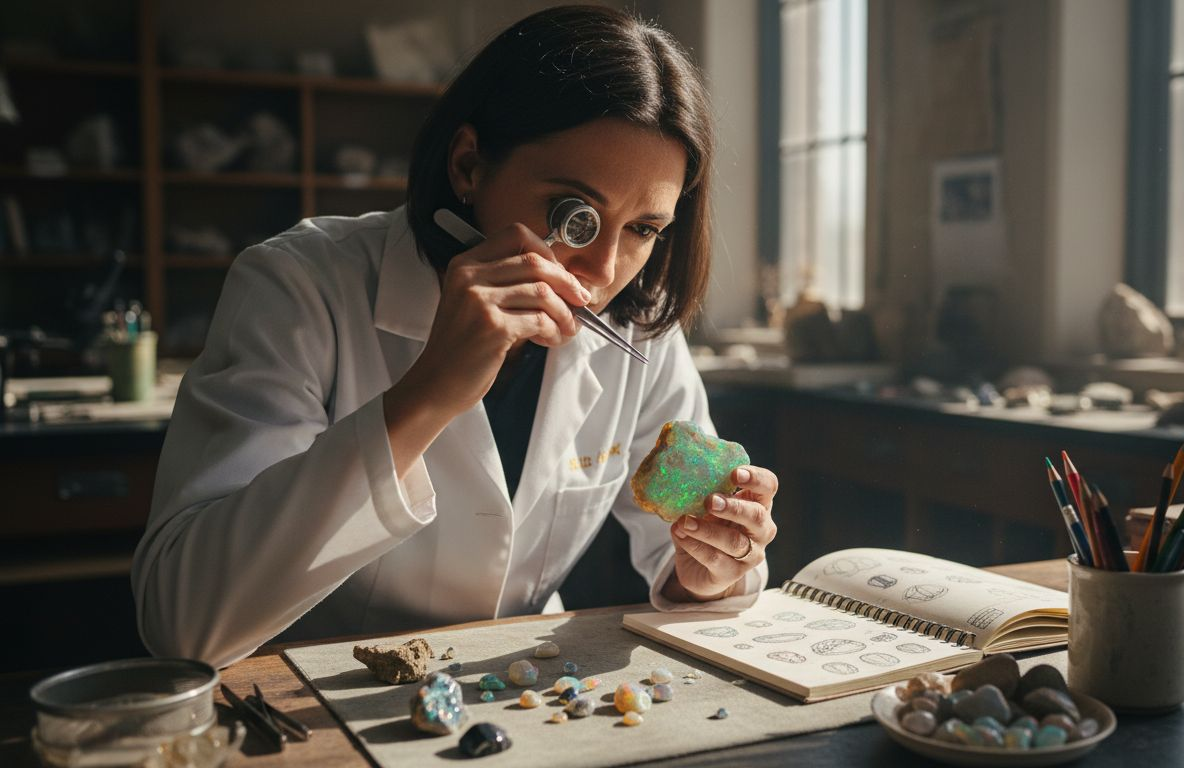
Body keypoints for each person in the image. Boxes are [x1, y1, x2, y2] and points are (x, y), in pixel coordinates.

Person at [132, 5, 779, 668]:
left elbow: (691, 545)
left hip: (522, 689)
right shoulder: (300, 287)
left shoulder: (635, 330)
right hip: (319, 699)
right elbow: (183, 622)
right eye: (575, 216)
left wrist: (709, 569)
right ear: (469, 165)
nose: (603, 270)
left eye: (643, 229)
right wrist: (426, 395)